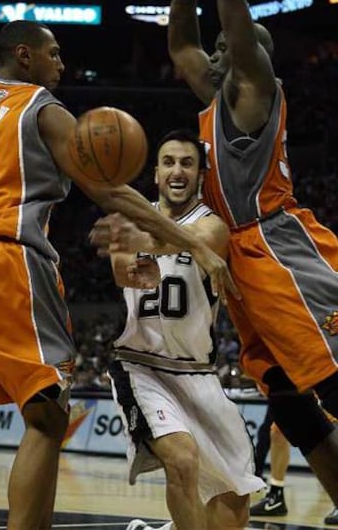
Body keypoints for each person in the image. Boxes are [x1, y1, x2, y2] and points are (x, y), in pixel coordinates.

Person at [0, 20, 238, 530]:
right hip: (8, 258)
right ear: (24, 56)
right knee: (49, 416)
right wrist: (193, 247)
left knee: (41, 415)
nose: (62, 64)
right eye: (54, 53)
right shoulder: (43, 109)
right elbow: (110, 191)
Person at [166, 0, 338, 506]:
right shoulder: (217, 97)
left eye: (226, 46)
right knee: (289, 402)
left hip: (279, 249)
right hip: (241, 263)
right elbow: (181, 45)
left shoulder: (256, 91)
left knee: (333, 380)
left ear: (248, 54)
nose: (214, 55)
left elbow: (235, 19)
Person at [106, 130, 265, 530]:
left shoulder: (213, 227)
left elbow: (193, 239)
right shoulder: (126, 222)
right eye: (169, 162)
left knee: (233, 503)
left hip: (198, 373)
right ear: (156, 173)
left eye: (187, 163)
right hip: (141, 366)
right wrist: (139, 263)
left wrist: (149, 244)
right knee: (181, 459)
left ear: (200, 174)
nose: (177, 171)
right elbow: (123, 269)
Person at [251, 404, 338, 525]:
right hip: (301, 388)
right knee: (278, 430)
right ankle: (276, 496)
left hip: (321, 386)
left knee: (331, 420)